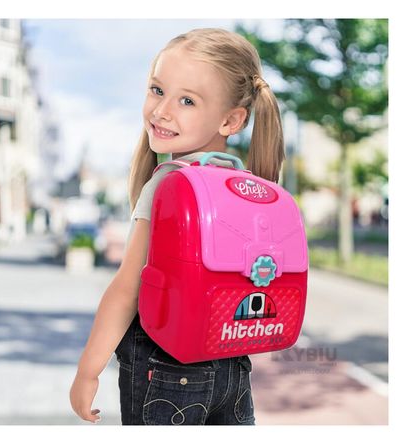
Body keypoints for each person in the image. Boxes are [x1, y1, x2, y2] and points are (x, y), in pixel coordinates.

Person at [70, 27, 285, 426]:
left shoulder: (171, 183)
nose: (161, 110)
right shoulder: (248, 186)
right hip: (232, 365)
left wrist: (88, 370)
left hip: (167, 368)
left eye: (187, 100)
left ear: (231, 119)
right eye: (156, 90)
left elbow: (127, 288)